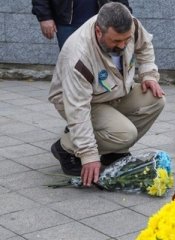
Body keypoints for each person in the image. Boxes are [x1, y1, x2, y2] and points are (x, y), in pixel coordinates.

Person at [48, 2, 165, 187]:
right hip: (79, 101)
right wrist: (88, 155)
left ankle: (114, 152)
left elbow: (145, 46)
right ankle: (66, 148)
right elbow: (78, 108)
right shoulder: (78, 56)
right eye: (116, 41)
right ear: (98, 32)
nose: (123, 45)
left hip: (113, 92)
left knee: (155, 99)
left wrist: (148, 74)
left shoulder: (131, 25)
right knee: (125, 133)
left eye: (126, 40)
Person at [31, 0, 132, 49]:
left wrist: (127, 14)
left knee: (104, 62)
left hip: (101, 22)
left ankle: (103, 90)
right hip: (67, 23)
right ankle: (71, 89)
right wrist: (45, 17)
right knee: (71, 61)